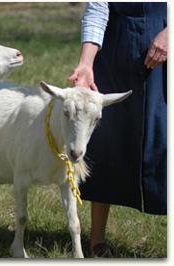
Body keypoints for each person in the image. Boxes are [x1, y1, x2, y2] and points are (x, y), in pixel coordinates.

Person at [67, 2, 167, 258]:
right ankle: (97, 241)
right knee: (107, 140)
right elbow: (98, 8)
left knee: (165, 138)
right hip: (116, 52)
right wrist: (86, 63)